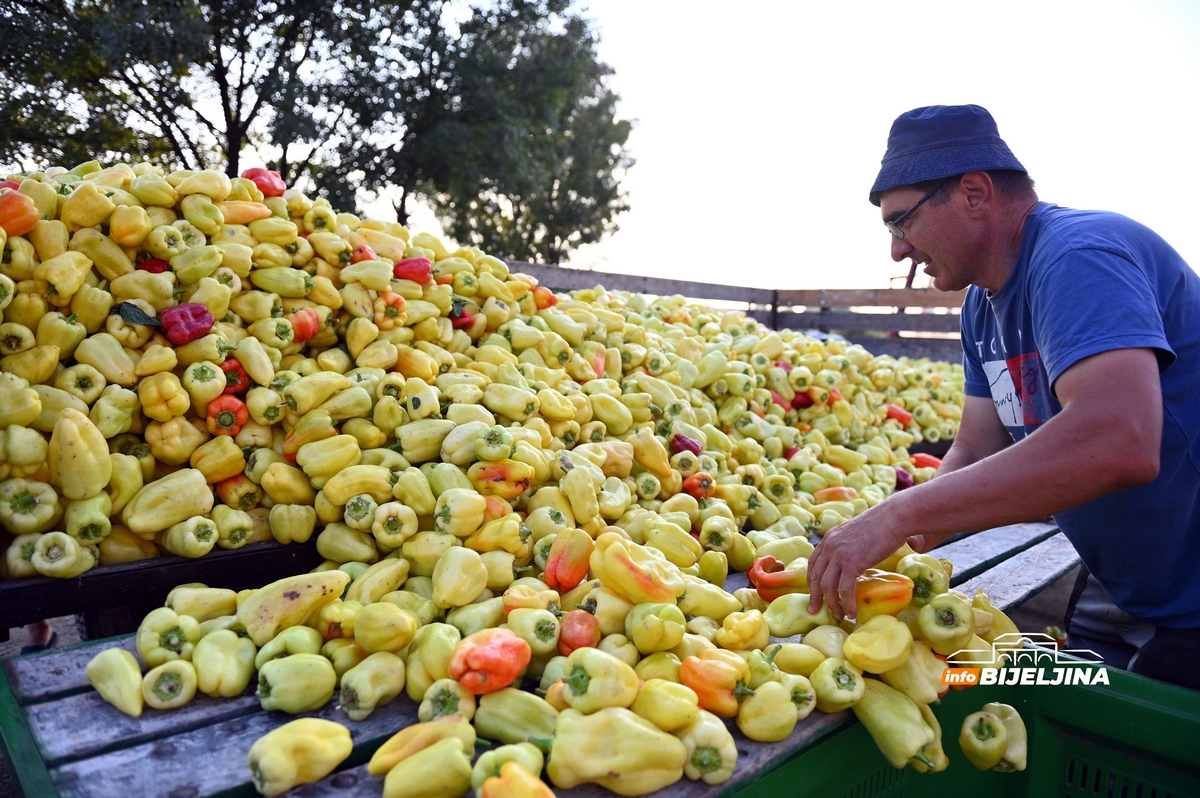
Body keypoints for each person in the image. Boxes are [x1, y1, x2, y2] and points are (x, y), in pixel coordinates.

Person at [806, 104, 1200, 690]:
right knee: (1049, 701)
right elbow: (975, 446)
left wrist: (901, 513)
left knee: (1135, 749)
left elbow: (1121, 440)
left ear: (972, 192)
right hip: (1126, 585)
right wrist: (892, 546)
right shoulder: (979, 306)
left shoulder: (1076, 257)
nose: (896, 251)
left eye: (901, 222)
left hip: (1187, 606)